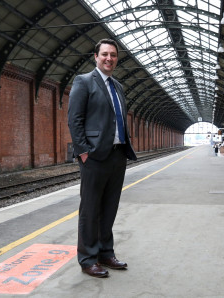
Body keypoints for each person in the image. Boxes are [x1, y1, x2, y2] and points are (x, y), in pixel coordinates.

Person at [68, 38, 137, 278]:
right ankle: (87, 259)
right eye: (105, 54)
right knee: (90, 209)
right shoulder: (84, 82)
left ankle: (106, 253)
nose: (109, 58)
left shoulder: (118, 86)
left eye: (114, 55)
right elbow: (74, 120)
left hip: (117, 155)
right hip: (95, 156)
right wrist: (84, 152)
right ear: (95, 57)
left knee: (109, 208)